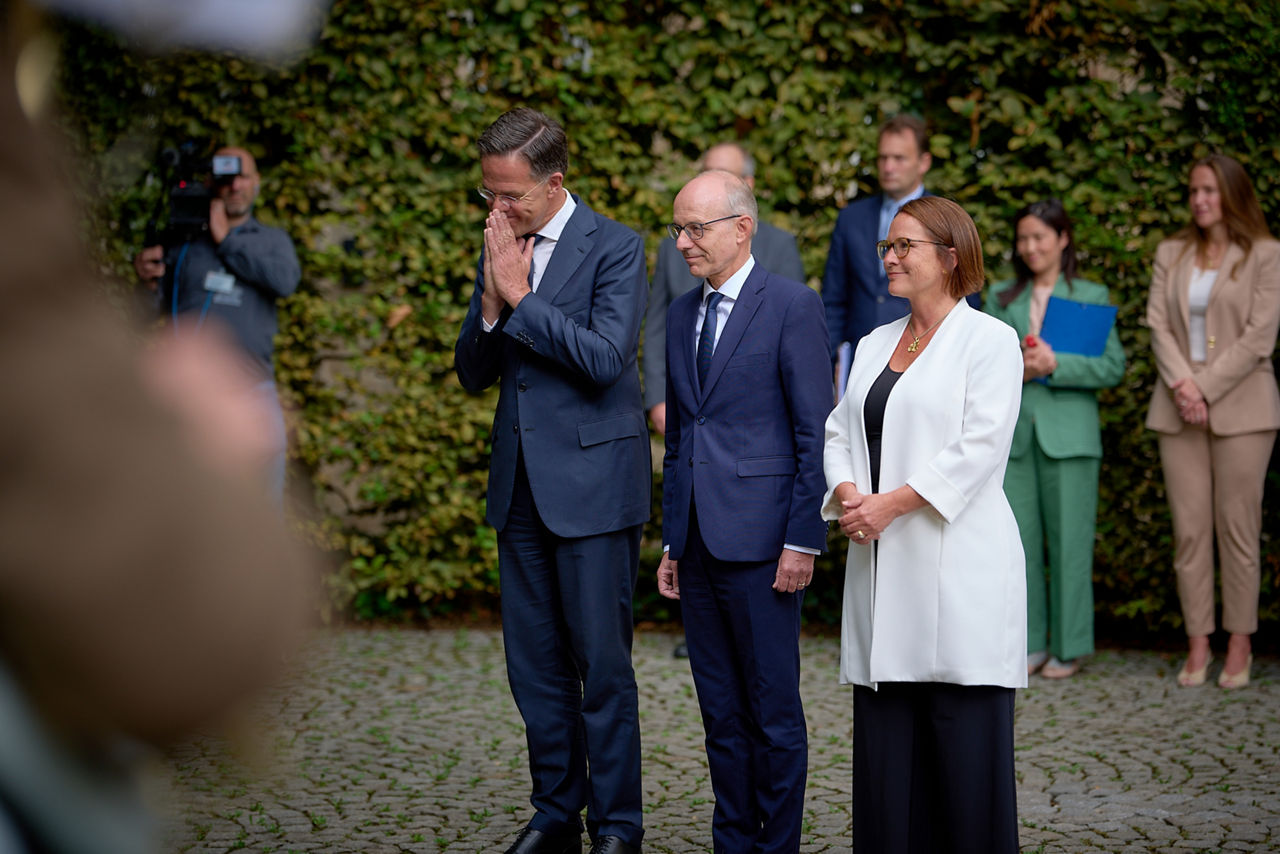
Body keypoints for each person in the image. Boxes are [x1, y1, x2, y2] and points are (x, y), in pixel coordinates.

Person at [454, 108, 650, 854]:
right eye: (488, 195)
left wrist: (521, 296)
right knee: (534, 670)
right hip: (520, 488)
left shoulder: (617, 247)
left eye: (510, 196)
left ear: (555, 182)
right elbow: (474, 372)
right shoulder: (502, 245)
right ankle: (553, 816)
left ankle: (620, 827)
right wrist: (490, 305)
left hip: (596, 487)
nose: (497, 210)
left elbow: (605, 361)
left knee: (601, 668)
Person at [823, 196, 1025, 853]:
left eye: (904, 245)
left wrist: (889, 505)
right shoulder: (877, 341)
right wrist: (851, 492)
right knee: (887, 768)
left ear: (950, 256)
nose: (889, 257)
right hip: (882, 575)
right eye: (888, 245)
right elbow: (839, 430)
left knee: (966, 769)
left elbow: (979, 450)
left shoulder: (989, 341)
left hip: (959, 573)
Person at [655, 170, 831, 854]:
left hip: (764, 544)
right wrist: (673, 539)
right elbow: (682, 440)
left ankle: (777, 846)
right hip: (697, 544)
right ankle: (733, 840)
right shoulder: (678, 315)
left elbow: (816, 432)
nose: (682, 243)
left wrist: (802, 539)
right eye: (677, 229)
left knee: (773, 712)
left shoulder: (791, 305)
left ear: (742, 227)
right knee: (719, 712)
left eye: (696, 228)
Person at [1145, 153, 1280, 691]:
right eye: (1195, 190)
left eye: (1210, 190)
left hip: (1244, 409)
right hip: (1178, 409)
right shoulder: (1171, 252)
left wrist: (1203, 387)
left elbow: (1259, 336)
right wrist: (1184, 385)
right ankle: (1198, 642)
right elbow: (1158, 323)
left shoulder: (1265, 254)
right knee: (1191, 533)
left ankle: (1240, 643)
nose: (1200, 199)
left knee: (1239, 530)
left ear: (1232, 194)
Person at [983, 199, 1125, 679]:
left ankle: (1071, 645)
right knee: (1017, 546)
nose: (1031, 247)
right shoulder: (1001, 296)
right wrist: (1022, 368)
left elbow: (1112, 366)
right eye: (1023, 239)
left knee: (1071, 545)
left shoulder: (1090, 291)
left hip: (1072, 437)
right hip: (1016, 437)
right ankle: (1029, 641)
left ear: (1063, 238)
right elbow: (982, 365)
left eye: (1040, 237)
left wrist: (1056, 364)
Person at [133, 145, 300, 504]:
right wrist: (145, 281)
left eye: (244, 176)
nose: (235, 185)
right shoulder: (183, 245)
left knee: (260, 513)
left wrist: (227, 240)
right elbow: (144, 317)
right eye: (227, 177)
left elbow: (285, 281)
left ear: (257, 184)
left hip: (253, 395)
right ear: (210, 183)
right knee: (182, 510)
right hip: (186, 401)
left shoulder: (272, 241)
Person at [643, 142, 804, 435]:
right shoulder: (673, 249)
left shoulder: (779, 247)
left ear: (748, 185)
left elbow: (792, 344)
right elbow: (656, 327)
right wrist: (656, 398)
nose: (685, 242)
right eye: (706, 171)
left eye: (723, 172)